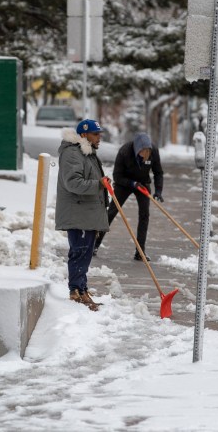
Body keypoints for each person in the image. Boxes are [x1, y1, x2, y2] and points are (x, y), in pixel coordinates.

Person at [55, 118, 110, 311]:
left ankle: (82, 288)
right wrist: (98, 185)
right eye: (96, 134)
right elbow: (73, 183)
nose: (99, 138)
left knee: (85, 253)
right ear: (84, 135)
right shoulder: (72, 154)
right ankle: (76, 292)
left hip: (86, 213)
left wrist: (100, 182)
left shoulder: (87, 154)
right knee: (79, 253)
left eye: (100, 134)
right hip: (77, 214)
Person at [94, 132, 163, 261]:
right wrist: (131, 183)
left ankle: (140, 252)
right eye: (142, 153)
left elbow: (158, 172)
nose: (145, 156)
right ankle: (94, 245)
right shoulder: (125, 152)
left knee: (144, 215)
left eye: (147, 153)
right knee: (111, 212)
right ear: (137, 149)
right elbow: (117, 176)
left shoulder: (153, 152)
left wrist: (158, 191)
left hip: (142, 184)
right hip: (124, 183)